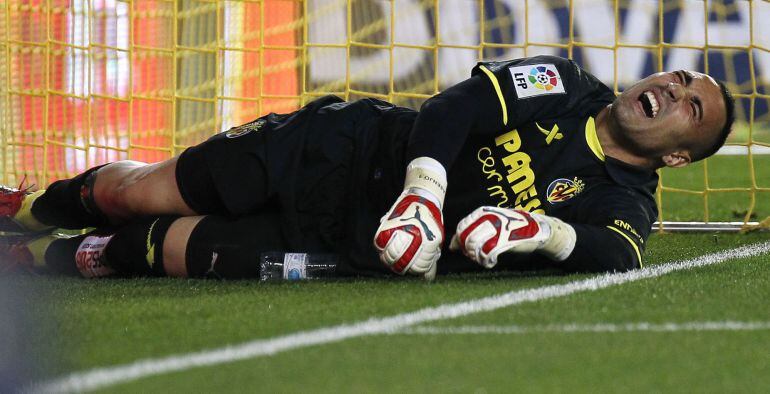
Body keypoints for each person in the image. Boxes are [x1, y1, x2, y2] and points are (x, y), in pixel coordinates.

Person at [0, 55, 734, 280]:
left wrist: (540, 231)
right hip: (344, 150)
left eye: (689, 107)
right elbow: (456, 109)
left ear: (676, 154)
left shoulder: (627, 199)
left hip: (353, 243)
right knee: (138, 192)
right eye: (677, 79)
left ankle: (40, 261)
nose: (670, 89)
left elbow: (615, 254)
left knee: (162, 251)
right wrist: (426, 192)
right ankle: (26, 211)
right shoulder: (567, 86)